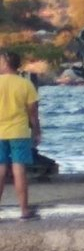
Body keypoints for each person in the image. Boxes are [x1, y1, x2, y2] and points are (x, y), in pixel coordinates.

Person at [0, 50, 42, 220]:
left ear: (5, 63)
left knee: (0, 169)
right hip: (19, 132)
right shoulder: (26, 84)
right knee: (19, 169)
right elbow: (33, 113)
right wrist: (37, 131)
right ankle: (24, 210)